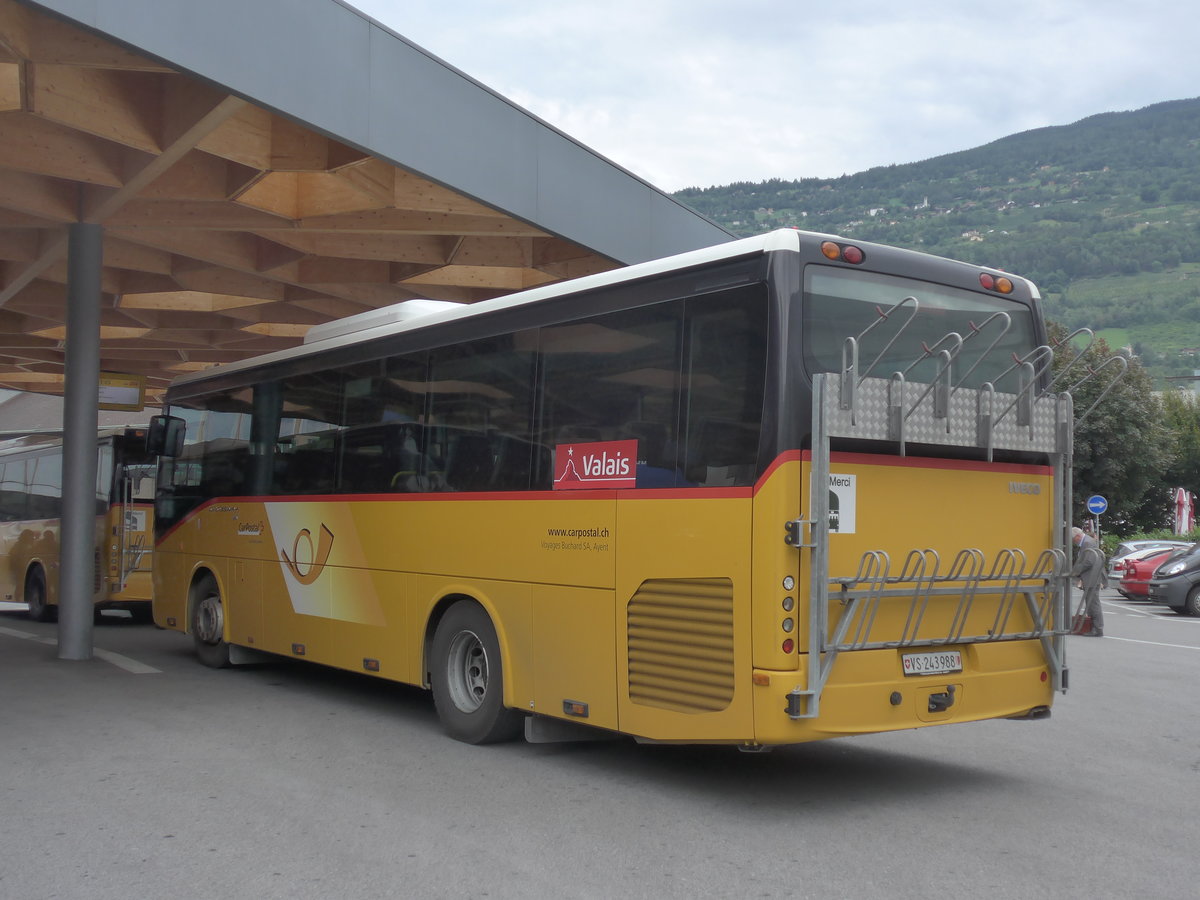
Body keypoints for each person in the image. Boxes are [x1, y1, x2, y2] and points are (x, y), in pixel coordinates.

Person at [1071, 526, 1105, 636]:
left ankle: (1097, 629)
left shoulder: (1087, 543)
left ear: (1077, 536)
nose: (1073, 542)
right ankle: (1094, 628)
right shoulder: (1087, 542)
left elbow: (1089, 561)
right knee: (1091, 603)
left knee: (1093, 603)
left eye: (1073, 539)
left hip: (1091, 577)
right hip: (1091, 577)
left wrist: (1075, 572)